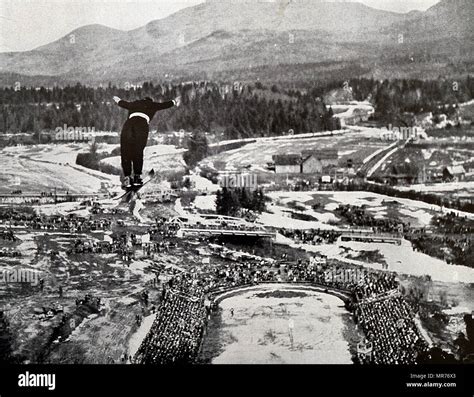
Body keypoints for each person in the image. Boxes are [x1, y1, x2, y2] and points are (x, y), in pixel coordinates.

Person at [113, 95, 181, 188]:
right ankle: (137, 177)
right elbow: (164, 105)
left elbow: (123, 103)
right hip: (141, 126)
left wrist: (118, 100)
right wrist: (174, 101)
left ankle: (127, 177)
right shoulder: (152, 104)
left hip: (128, 125)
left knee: (126, 151)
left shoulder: (134, 104)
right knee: (138, 151)